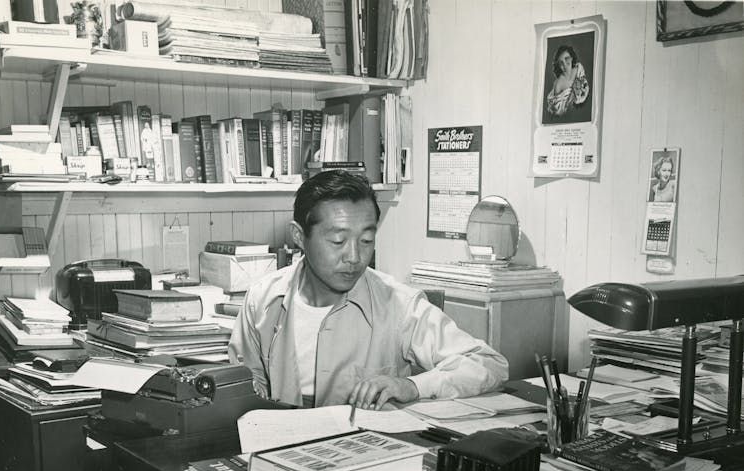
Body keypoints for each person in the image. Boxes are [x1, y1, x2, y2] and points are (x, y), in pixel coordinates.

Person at [229, 170, 508, 409]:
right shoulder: (262, 300)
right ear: (300, 237)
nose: (354, 256)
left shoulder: (398, 304)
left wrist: (411, 386)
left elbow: (488, 364)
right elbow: (238, 386)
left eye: (366, 240)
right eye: (338, 241)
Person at [546, 45, 589, 117]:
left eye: (567, 59)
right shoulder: (559, 84)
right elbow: (560, 111)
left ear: (572, 58)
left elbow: (585, 86)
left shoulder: (579, 69)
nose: (565, 64)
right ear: (559, 66)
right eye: (561, 62)